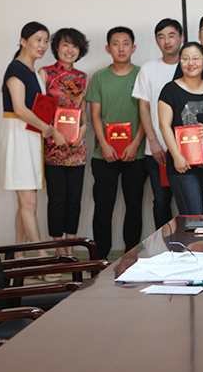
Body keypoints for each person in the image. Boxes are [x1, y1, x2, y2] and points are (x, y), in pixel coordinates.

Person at [2, 22, 67, 262]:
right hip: (19, 137)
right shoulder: (16, 69)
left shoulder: (33, 72)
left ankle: (19, 257)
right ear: (23, 41)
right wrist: (49, 130)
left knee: (25, 203)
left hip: (31, 137)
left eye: (45, 41)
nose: (42, 45)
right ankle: (42, 259)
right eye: (38, 39)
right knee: (29, 202)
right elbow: (19, 109)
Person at [85, 27, 148, 260]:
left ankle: (131, 255)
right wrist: (104, 144)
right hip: (104, 155)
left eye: (125, 43)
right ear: (107, 48)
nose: (121, 48)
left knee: (134, 207)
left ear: (133, 47)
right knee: (103, 207)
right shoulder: (99, 77)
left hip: (136, 154)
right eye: (115, 43)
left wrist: (135, 144)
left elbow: (146, 113)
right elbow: (94, 115)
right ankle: (100, 257)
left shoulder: (142, 74)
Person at [39, 28, 90, 258]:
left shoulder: (83, 77)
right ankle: (58, 248)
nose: (70, 50)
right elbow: (40, 111)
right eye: (65, 45)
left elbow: (83, 112)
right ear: (57, 48)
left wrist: (84, 129)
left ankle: (70, 246)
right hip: (53, 147)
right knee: (57, 199)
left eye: (74, 46)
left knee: (74, 200)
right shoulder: (45, 73)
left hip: (77, 148)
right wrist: (52, 133)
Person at [132, 18, 184, 229]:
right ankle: (165, 244)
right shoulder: (148, 68)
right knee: (161, 201)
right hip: (157, 149)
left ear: (181, 38)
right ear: (156, 41)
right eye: (161, 37)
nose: (167, 41)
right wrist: (152, 141)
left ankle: (190, 245)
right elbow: (143, 107)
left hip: (186, 149)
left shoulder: (190, 65)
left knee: (188, 202)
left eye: (172, 35)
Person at [159, 42, 203, 215]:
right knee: (194, 218)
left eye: (195, 58)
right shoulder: (170, 90)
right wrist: (177, 157)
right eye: (185, 59)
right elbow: (164, 126)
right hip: (183, 166)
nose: (190, 63)